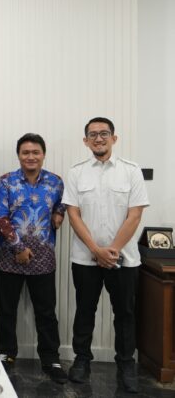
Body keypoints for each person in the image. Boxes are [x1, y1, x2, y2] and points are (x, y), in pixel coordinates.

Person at [63, 117, 149, 393]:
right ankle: (81, 361)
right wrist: (95, 250)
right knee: (84, 310)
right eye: (93, 135)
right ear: (85, 141)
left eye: (104, 133)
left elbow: (135, 215)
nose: (98, 138)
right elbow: (73, 214)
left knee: (125, 313)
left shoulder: (131, 171)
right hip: (85, 258)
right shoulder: (76, 172)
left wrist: (111, 251)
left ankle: (126, 365)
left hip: (124, 258)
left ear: (114, 138)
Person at [0, 133, 68, 383]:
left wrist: (59, 213)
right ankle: (6, 355)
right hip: (9, 257)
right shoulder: (6, 181)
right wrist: (18, 248)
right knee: (6, 311)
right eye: (25, 152)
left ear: (43, 154)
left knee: (46, 312)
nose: (31, 156)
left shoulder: (56, 182)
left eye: (36, 152)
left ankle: (51, 360)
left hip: (44, 258)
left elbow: (63, 203)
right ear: (19, 155)